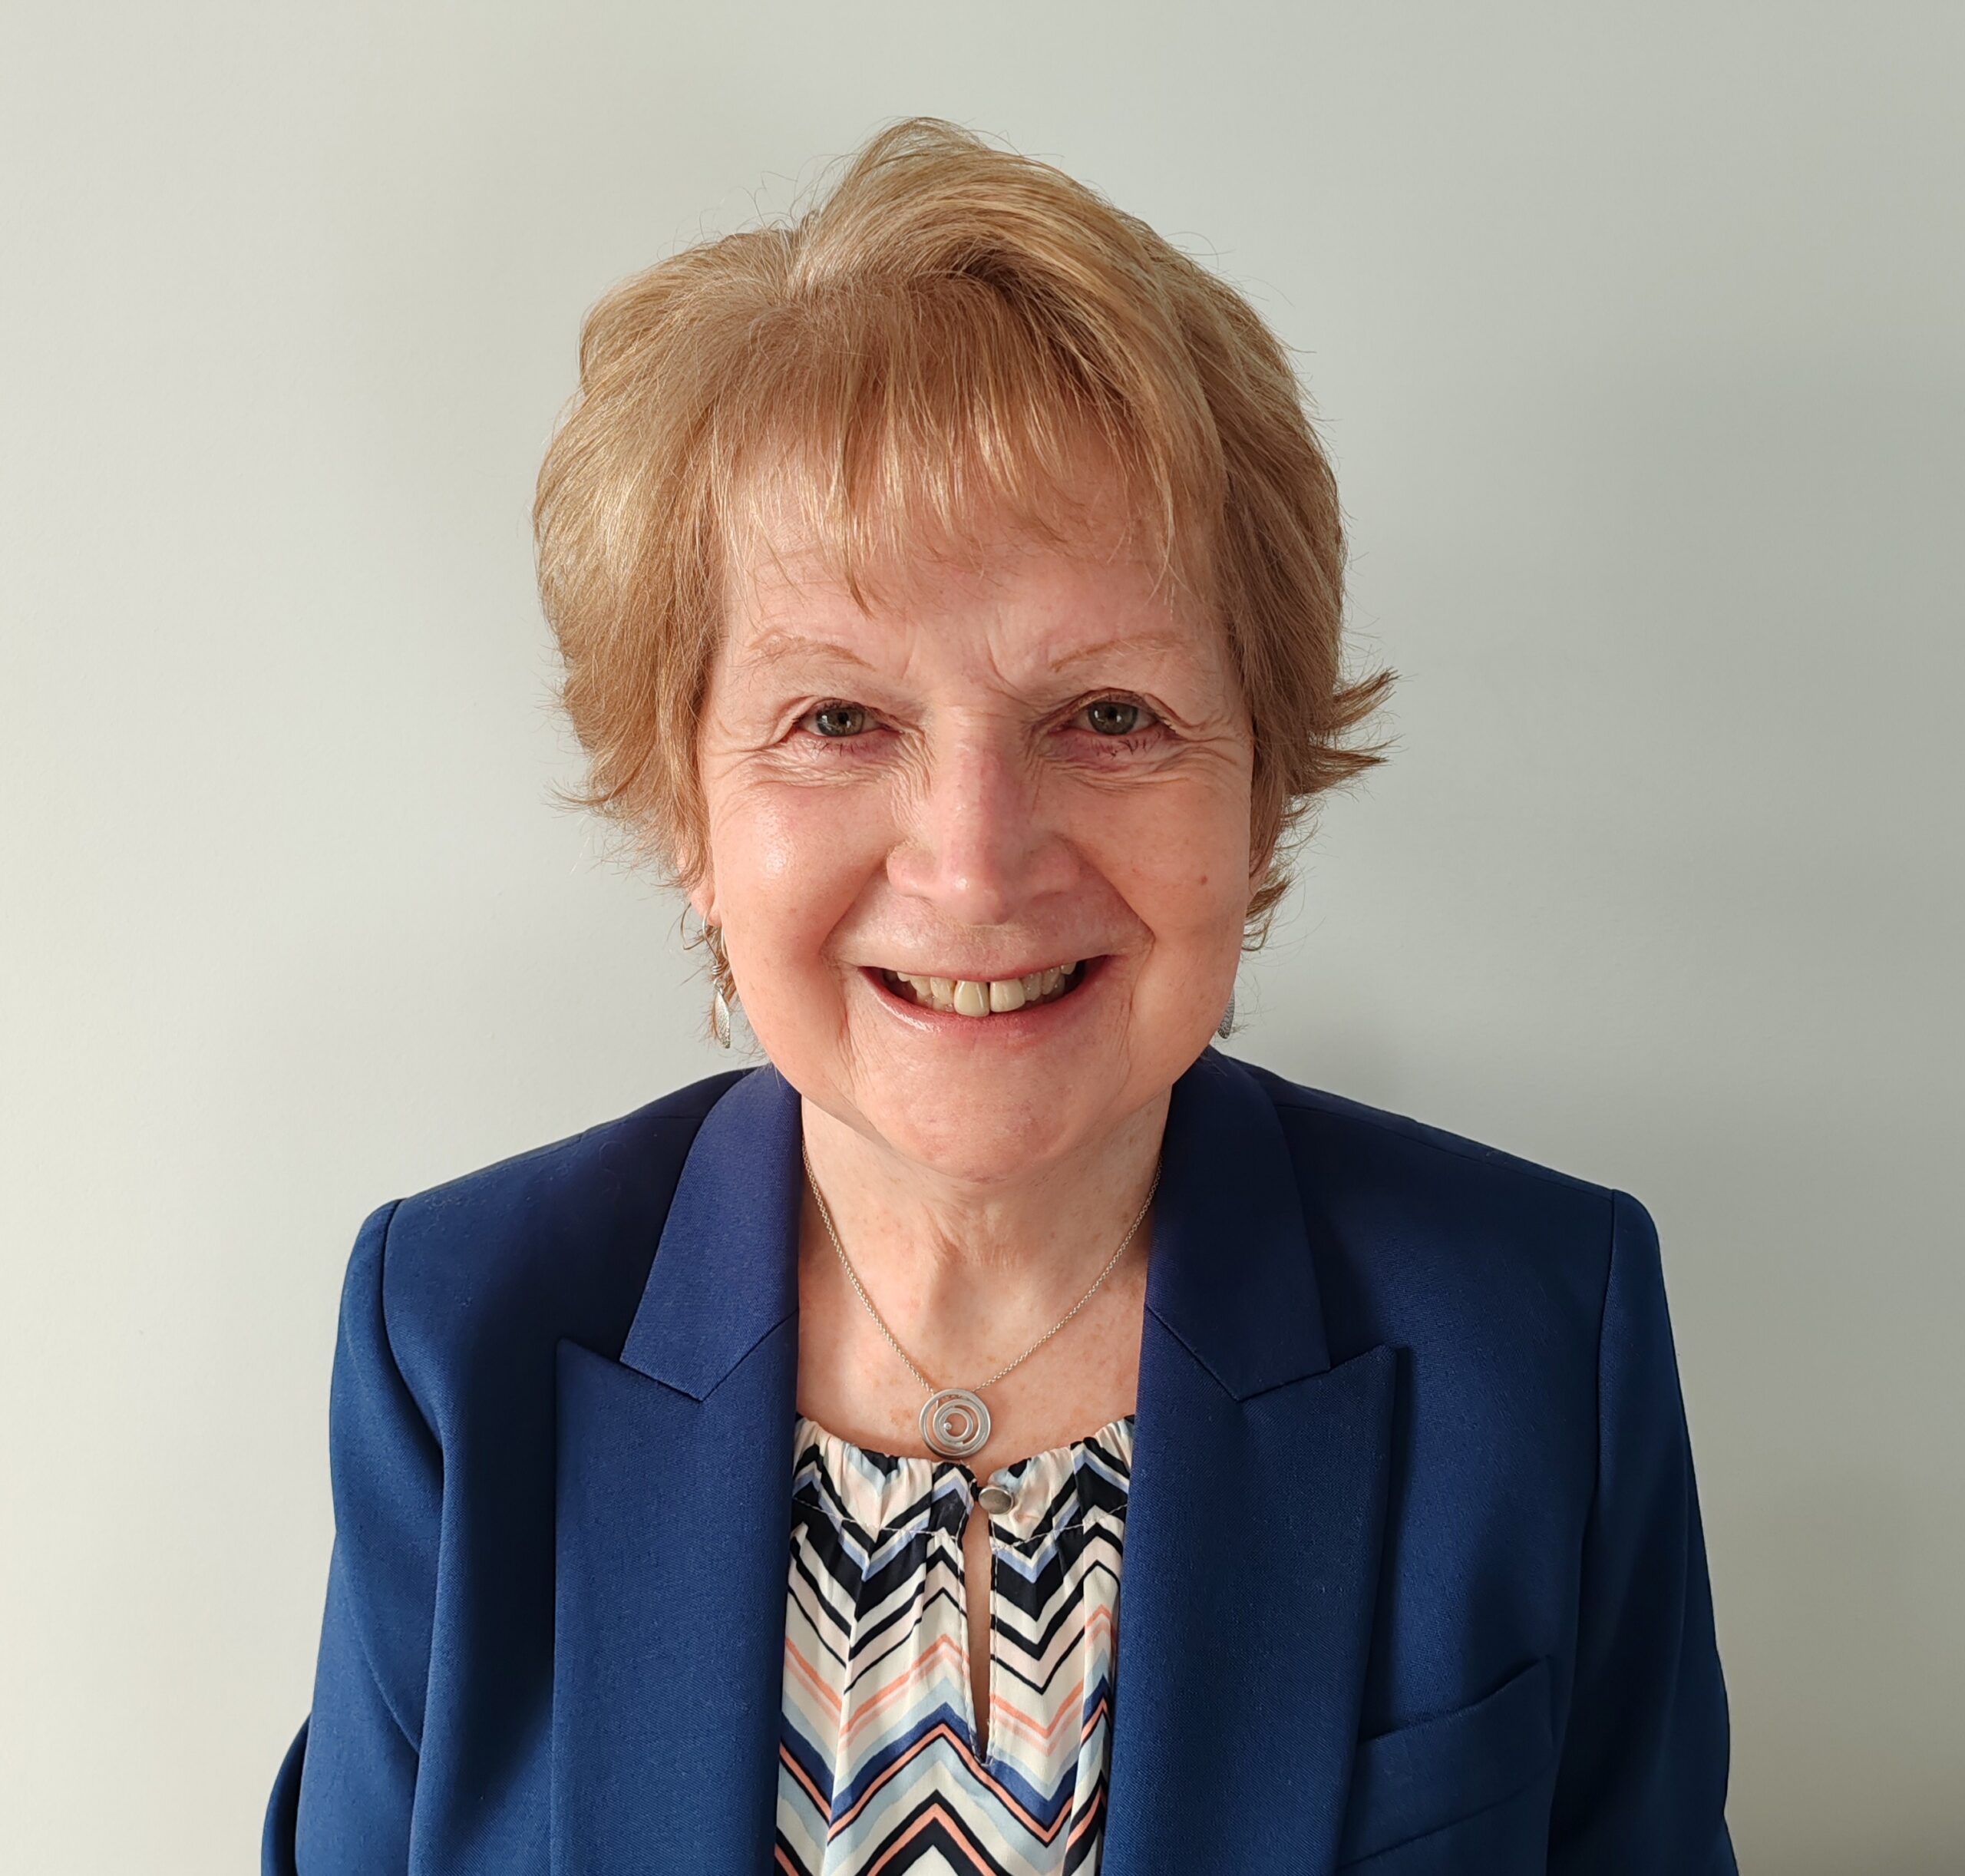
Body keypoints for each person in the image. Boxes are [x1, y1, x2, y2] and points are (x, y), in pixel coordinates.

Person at [263, 117, 1736, 1875]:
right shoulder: (453, 1335)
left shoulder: (1538, 1332)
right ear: (686, 812)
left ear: (1261, 783)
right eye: (836, 719)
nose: (972, 863)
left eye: (1106, 715)